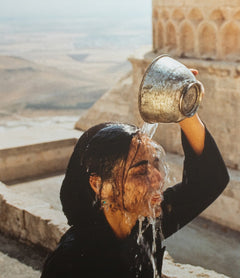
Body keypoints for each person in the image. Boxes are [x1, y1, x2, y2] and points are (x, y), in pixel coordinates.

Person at [41, 71, 229, 278]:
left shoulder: (142, 226)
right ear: (99, 185)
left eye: (156, 163)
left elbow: (209, 180)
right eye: (140, 171)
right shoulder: (72, 264)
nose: (158, 177)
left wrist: (185, 110)